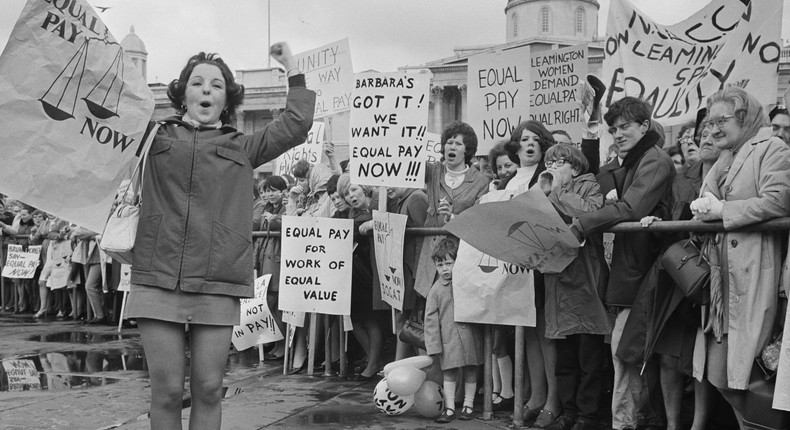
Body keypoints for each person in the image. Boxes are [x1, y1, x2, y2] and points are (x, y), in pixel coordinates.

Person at [125, 43, 315, 429]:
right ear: (183, 94)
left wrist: (291, 68)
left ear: (227, 98)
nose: (206, 89)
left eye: (216, 84)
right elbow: (102, 116)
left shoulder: (242, 146)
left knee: (209, 388)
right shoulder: (153, 137)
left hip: (218, 282)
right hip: (157, 278)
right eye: (197, 82)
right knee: (164, 392)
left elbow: (297, 123)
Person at [569, 96, 675, 430]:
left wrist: (582, 223)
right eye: (613, 128)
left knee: (625, 356)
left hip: (643, 273)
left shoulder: (654, 160)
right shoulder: (633, 160)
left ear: (644, 126)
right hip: (631, 273)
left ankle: (626, 424)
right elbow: (600, 183)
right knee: (627, 357)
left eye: (625, 126)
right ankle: (636, 420)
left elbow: (631, 208)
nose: (617, 133)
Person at [690, 86, 790, 427]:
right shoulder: (723, 157)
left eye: (723, 120)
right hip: (721, 284)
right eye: (710, 120)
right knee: (721, 376)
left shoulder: (771, 147)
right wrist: (703, 209)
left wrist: (724, 210)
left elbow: (779, 201)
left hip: (753, 275)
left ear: (745, 119)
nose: (714, 127)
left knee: (751, 374)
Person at [538, 143, 610, 430]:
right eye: (550, 162)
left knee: (589, 355)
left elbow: (590, 211)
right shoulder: (543, 190)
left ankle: (587, 415)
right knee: (564, 357)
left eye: (559, 162)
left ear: (576, 168)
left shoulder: (590, 186)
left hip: (585, 281)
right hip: (558, 279)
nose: (553, 166)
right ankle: (568, 411)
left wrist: (555, 192)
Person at [425, 238, 483, 423]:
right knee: (449, 372)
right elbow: (431, 320)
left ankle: (468, 405)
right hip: (448, 338)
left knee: (471, 369)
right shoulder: (435, 290)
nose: (444, 269)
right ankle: (449, 408)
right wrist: (434, 346)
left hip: (470, 335)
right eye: (440, 264)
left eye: (449, 263)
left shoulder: (466, 282)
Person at [337, 173, 387, 381]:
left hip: (370, 272)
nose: (350, 196)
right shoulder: (350, 214)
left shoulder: (378, 206)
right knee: (354, 319)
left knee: (369, 318)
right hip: (353, 274)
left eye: (353, 190)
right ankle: (374, 359)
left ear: (364, 188)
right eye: (346, 194)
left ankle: (374, 362)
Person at [386, 185, 428, 360]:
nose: (386, 187)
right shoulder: (402, 199)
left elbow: (424, 238)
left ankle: (424, 366)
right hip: (405, 267)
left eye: (391, 181)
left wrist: (419, 274)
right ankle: (399, 364)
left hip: (414, 269)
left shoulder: (416, 197)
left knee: (415, 321)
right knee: (404, 318)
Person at [253, 175, 288, 360]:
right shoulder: (268, 207)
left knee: (276, 304)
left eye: (273, 190)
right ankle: (277, 343)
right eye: (267, 190)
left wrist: (273, 219)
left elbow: (285, 225)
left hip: (277, 259)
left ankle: (282, 345)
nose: (269, 194)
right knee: (269, 304)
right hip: (266, 257)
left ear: (283, 190)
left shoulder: (286, 207)